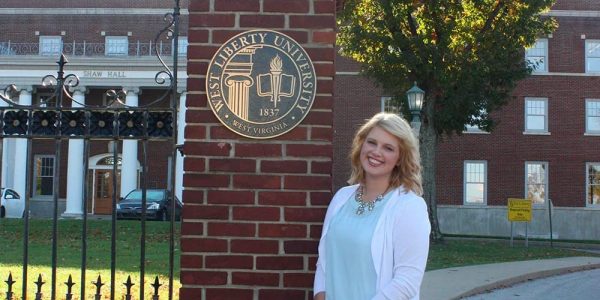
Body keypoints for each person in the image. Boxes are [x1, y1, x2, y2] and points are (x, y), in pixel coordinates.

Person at [313, 112, 431, 300]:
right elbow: (324, 260)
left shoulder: (409, 206)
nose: (376, 152)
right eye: (372, 143)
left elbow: (407, 281)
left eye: (388, 148)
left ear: (400, 158)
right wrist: (320, 295)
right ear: (361, 144)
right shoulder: (342, 198)